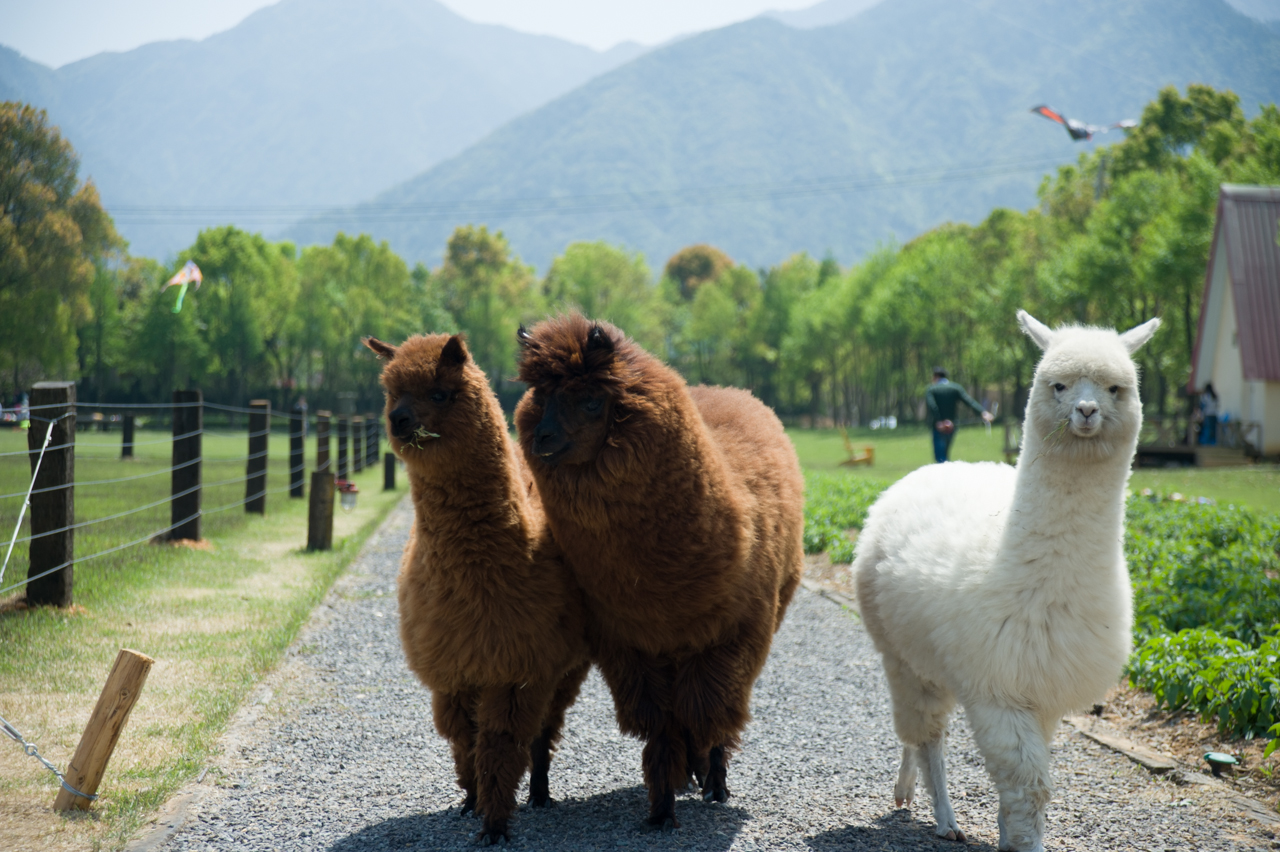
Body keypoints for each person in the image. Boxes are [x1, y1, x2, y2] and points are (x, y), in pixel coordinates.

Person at [925, 367, 993, 463]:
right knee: (945, 455)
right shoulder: (955, 388)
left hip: (938, 427)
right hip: (951, 426)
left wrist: (939, 421)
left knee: (940, 457)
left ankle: (944, 476)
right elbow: (969, 401)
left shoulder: (931, 389)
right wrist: (983, 413)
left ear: (935, 376)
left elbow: (932, 406)